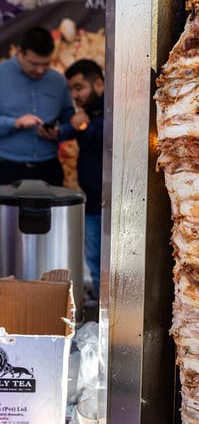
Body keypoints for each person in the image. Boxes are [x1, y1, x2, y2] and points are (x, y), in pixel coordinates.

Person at [0, 26, 74, 186]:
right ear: (20, 53)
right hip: (6, 168)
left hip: (48, 168)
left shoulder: (59, 81)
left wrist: (59, 132)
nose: (40, 70)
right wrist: (15, 123)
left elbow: (71, 122)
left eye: (46, 64)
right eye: (34, 64)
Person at [61, 59, 104, 301]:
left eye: (79, 88)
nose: (75, 95)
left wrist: (84, 126)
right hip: (91, 199)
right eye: (72, 90)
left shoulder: (113, 108)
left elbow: (107, 141)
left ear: (98, 83)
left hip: (112, 203)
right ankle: (98, 304)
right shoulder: (85, 112)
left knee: (109, 262)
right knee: (93, 259)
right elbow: (69, 130)